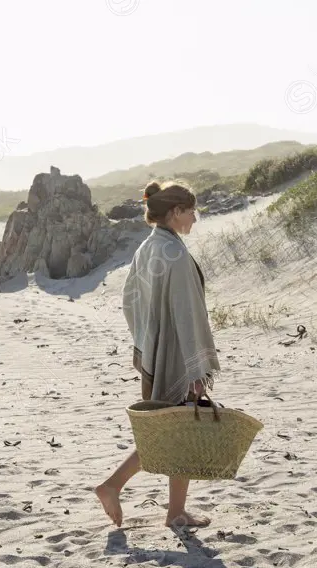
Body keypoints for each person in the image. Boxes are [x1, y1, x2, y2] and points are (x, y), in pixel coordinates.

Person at [95, 180, 220, 528]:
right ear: (176, 212)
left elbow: (130, 300)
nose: (194, 218)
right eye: (191, 211)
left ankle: (175, 511)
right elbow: (187, 312)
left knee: (176, 431)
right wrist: (196, 366)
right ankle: (112, 485)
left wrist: (148, 341)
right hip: (177, 357)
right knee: (170, 431)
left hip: (156, 353)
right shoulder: (175, 254)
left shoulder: (148, 247)